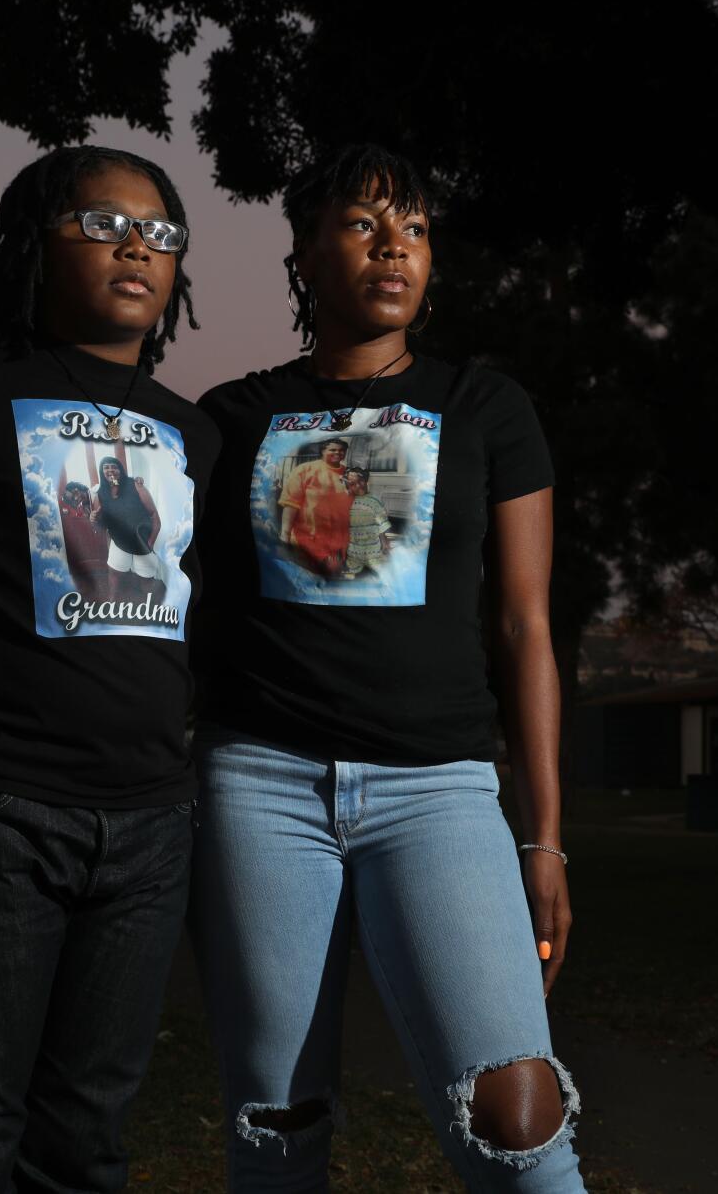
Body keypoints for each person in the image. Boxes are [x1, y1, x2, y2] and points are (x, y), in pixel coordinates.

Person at [194, 142, 583, 1189]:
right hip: (259, 784)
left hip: (439, 789)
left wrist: (542, 839)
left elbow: (523, 628)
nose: (393, 248)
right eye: (363, 225)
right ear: (305, 251)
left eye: (412, 229)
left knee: (517, 1110)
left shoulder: (485, 406)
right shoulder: (232, 417)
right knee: (276, 1121)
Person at [0, 145, 220, 1193]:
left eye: (162, 234)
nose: (137, 247)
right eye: (103, 225)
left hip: (149, 826)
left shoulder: (191, 431)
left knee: (85, 1139)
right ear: (35, 244)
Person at [94, 452, 167, 601]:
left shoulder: (136, 486)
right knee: (114, 575)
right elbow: (102, 525)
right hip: (119, 543)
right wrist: (94, 518)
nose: (110, 470)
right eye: (106, 467)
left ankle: (149, 607)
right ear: (102, 472)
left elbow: (154, 516)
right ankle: (112, 600)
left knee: (146, 580)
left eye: (114, 467)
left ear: (121, 470)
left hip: (142, 543)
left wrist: (150, 543)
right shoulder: (100, 494)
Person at [277, 437, 353, 575]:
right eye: (333, 450)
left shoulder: (350, 475)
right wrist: (285, 535)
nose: (338, 453)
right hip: (307, 540)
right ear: (323, 451)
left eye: (342, 450)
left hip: (338, 544)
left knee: (331, 580)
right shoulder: (304, 470)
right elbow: (290, 504)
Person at [340, 466, 391, 578]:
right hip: (354, 548)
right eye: (353, 484)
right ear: (348, 486)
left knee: (378, 572)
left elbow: (381, 525)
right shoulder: (347, 501)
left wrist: (385, 543)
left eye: (361, 481)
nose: (358, 486)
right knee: (353, 572)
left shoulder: (374, 501)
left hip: (373, 548)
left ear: (366, 480)